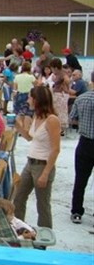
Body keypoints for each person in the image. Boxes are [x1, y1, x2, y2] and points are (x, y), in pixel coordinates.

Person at [13, 86, 61, 228]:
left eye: (30, 97)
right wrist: (19, 126)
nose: (28, 100)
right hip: (30, 163)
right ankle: (19, 229)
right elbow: (30, 137)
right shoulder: (37, 116)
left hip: (43, 164)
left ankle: (44, 237)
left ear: (36, 99)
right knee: (19, 197)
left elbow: (55, 149)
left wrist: (46, 173)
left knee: (43, 205)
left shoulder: (52, 120)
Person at [68, 71, 94, 224]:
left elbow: (72, 119)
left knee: (80, 179)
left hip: (85, 142)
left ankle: (76, 211)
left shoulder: (81, 98)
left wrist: (84, 123)